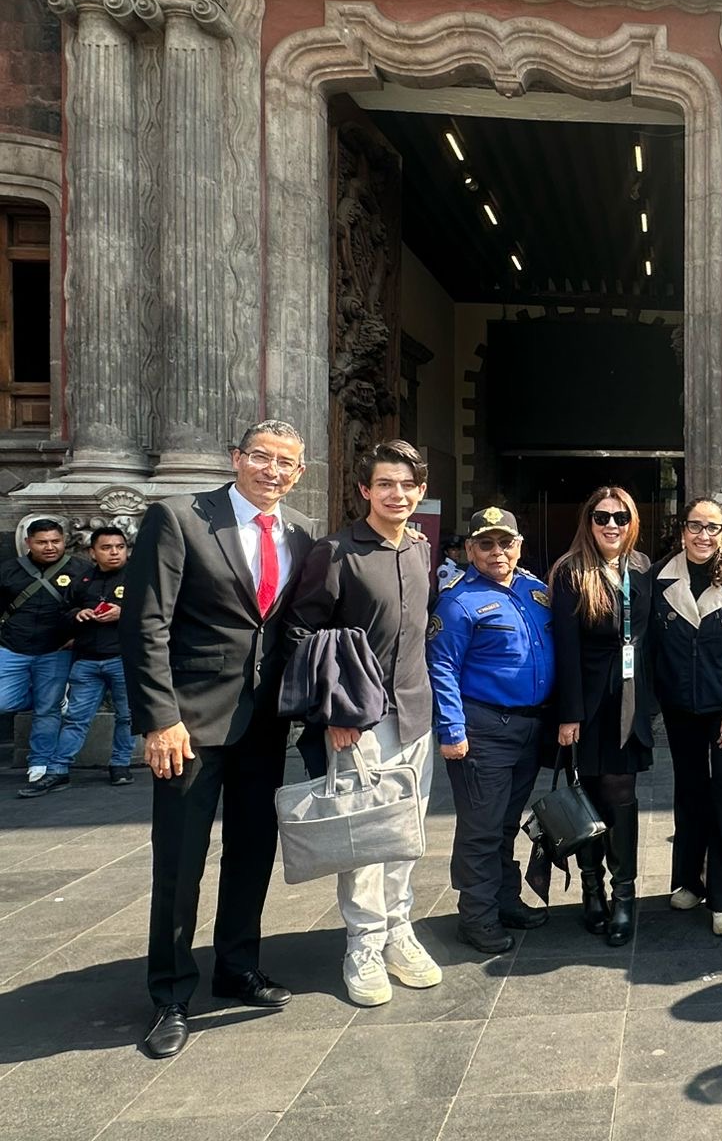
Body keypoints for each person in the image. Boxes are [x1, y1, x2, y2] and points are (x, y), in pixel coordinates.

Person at [121, 420, 315, 1059]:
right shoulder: (180, 519)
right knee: (179, 863)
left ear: (300, 473)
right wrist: (158, 717)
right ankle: (171, 994)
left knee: (252, 850)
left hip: (263, 726)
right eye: (261, 457)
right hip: (190, 726)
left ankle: (237, 967)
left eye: (286, 462)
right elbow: (147, 622)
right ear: (236, 458)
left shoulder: (300, 536)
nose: (273, 470)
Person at [283, 441, 441, 1004]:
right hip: (360, 720)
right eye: (386, 485)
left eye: (408, 485)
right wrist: (334, 713)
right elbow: (303, 634)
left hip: (416, 713)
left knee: (405, 835)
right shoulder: (336, 551)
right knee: (365, 836)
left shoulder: (422, 549)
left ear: (420, 491)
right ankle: (364, 944)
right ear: (364, 491)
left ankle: (400, 930)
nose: (397, 494)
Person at [427, 505, 556, 957]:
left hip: (528, 727)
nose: (497, 552)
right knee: (481, 827)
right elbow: (441, 666)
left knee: (504, 822)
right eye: (485, 543)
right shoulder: (458, 601)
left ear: (519, 546)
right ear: (469, 549)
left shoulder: (535, 590)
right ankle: (476, 917)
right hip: (483, 728)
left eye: (506, 542)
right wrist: (451, 729)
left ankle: (505, 900)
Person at [550, 486, 656, 947]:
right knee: (588, 796)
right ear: (588, 522)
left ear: (632, 522)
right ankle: (590, 892)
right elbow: (565, 649)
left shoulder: (642, 567)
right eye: (601, 517)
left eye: (619, 517)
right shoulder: (572, 572)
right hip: (588, 702)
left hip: (628, 701)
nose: (611, 525)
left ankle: (624, 895)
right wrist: (569, 713)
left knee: (620, 794)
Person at [652, 497, 722, 936]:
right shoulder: (658, 579)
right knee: (689, 793)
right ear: (683, 531)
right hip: (681, 710)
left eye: (712, 527)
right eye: (695, 526)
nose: (703, 535)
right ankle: (688, 881)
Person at [22, 527, 134, 797]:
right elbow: (61, 614)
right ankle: (58, 770)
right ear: (92, 552)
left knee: (128, 717)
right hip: (86, 660)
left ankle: (120, 765)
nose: (114, 552)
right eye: (106, 548)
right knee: (75, 718)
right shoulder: (81, 579)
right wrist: (77, 614)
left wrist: (125, 612)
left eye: (119, 546)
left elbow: (160, 614)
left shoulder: (139, 577)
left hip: (123, 658)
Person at [5, 517, 91, 792]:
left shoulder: (81, 570)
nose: (50, 547)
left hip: (57, 649)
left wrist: (78, 637)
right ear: (28, 543)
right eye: (42, 542)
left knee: (47, 709)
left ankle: (39, 762)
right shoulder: (8, 570)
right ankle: (49, 696)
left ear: (65, 541)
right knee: (5, 701)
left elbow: (91, 606)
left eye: (56, 541)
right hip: (11, 646)